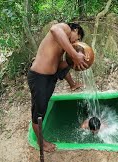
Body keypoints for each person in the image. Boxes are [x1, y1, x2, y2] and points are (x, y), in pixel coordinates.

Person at [27, 22, 89, 152]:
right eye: (77, 38)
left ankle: (72, 85)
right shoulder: (64, 28)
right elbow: (54, 29)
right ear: (75, 30)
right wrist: (74, 54)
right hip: (39, 77)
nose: (75, 41)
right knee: (39, 113)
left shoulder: (61, 46)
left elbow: (58, 66)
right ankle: (41, 143)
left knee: (42, 107)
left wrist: (72, 62)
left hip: (50, 77)